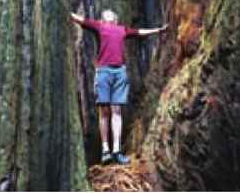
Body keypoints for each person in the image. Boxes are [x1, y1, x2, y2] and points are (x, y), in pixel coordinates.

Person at [71, 9, 168, 165]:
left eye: (111, 13)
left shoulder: (122, 29)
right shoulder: (99, 26)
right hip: (103, 71)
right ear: (102, 19)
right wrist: (66, 13)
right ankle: (105, 151)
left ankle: (116, 150)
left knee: (116, 110)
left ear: (116, 19)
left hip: (119, 72)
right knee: (104, 110)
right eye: (105, 13)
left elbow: (139, 32)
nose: (108, 14)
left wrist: (158, 30)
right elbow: (81, 20)